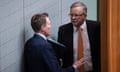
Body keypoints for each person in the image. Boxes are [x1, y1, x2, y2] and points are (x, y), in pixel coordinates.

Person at [58, 1, 100, 72]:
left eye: (76, 15)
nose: (73, 18)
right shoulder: (63, 30)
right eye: (71, 15)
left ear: (85, 15)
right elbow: (60, 54)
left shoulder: (96, 27)